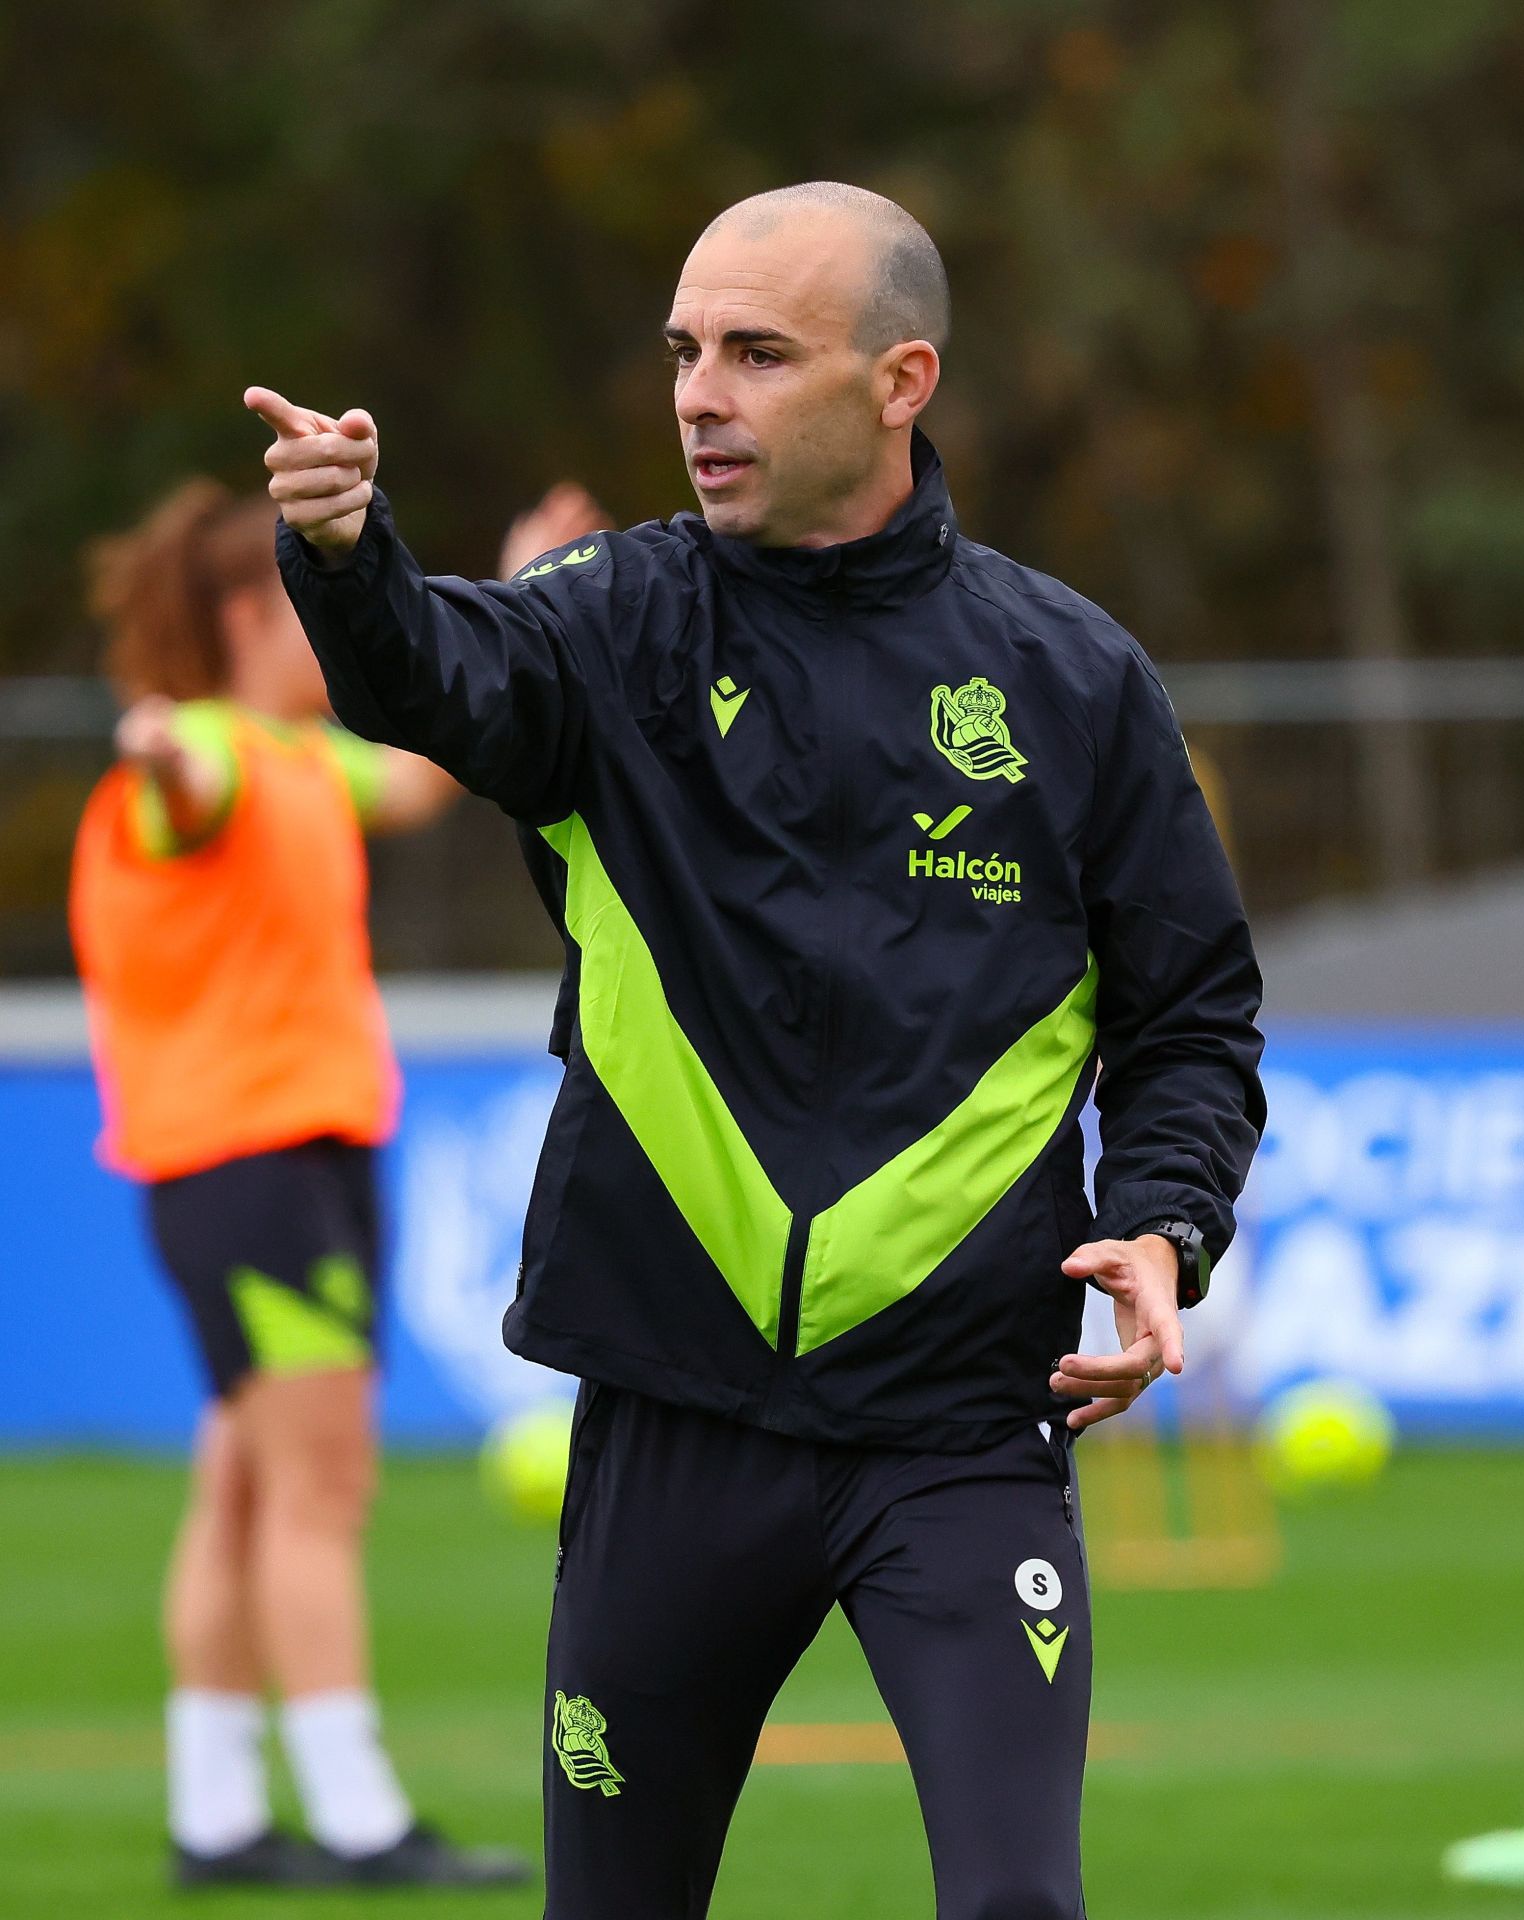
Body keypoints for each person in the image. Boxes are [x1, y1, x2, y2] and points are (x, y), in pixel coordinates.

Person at [247, 179, 1266, 1919]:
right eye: (683, 352)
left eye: (755, 352)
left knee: (1021, 1903)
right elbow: (434, 673)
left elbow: (1192, 1021)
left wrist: (1165, 1227)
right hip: (674, 1409)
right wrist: (346, 555)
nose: (698, 394)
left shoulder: (1071, 677)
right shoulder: (604, 621)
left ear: (900, 378)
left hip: (960, 1422)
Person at [68, 478, 557, 1890]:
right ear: (243, 614)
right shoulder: (208, 760)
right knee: (320, 1489)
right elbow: (183, 791)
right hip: (256, 1163)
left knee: (242, 1482)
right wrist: (160, 751)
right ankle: (358, 1813)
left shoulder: (294, 754)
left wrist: (518, 604)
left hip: (274, 1158)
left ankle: (215, 1811)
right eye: (295, 599)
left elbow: (418, 774)